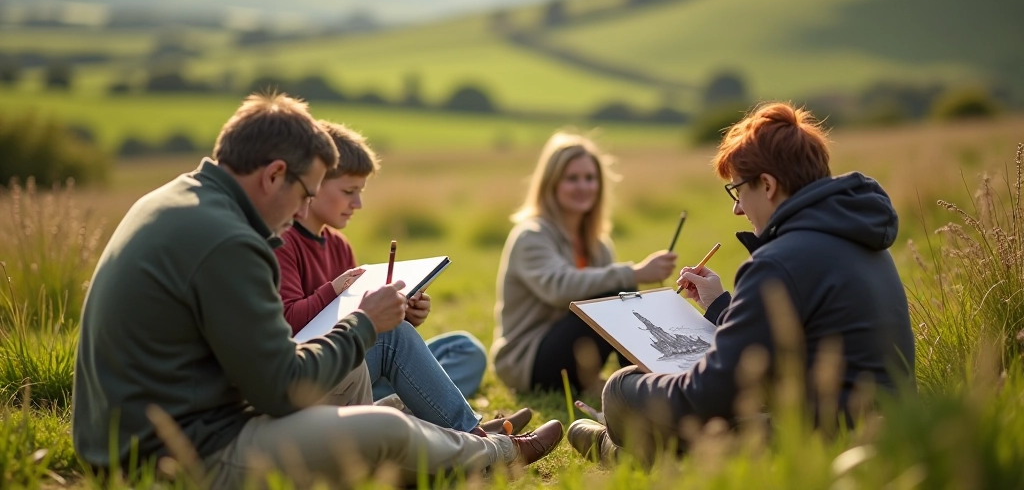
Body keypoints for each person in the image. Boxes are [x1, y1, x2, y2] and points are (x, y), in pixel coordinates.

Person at [71, 92, 563, 488]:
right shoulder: (228, 240)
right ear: (273, 175)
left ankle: (444, 440)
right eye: (306, 193)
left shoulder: (179, 199)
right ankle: (495, 454)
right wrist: (364, 324)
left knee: (359, 377)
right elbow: (281, 388)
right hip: (175, 458)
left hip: (149, 432)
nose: (301, 211)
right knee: (385, 427)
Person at [567, 102, 915, 466]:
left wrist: (624, 389)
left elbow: (703, 397)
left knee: (624, 389)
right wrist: (720, 306)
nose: (737, 209)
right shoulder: (859, 238)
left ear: (767, 185)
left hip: (820, 444)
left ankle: (618, 451)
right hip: (887, 431)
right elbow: (787, 343)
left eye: (737, 191)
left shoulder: (779, 261)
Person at [275, 120, 528, 435]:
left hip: (354, 373)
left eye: (361, 192)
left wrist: (402, 314)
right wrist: (334, 291)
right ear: (313, 184)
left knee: (464, 349)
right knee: (393, 340)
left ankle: (399, 412)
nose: (358, 204)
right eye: (349, 191)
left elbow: (361, 327)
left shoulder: (340, 246)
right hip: (314, 378)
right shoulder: (283, 242)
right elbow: (289, 325)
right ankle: (477, 437)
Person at [491, 131, 677, 394]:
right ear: (551, 184)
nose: (583, 186)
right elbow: (559, 289)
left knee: (620, 296)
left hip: (571, 352)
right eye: (572, 178)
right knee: (618, 294)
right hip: (527, 360)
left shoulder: (598, 244)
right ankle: (645, 389)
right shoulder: (531, 236)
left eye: (590, 178)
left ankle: (654, 381)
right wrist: (634, 273)